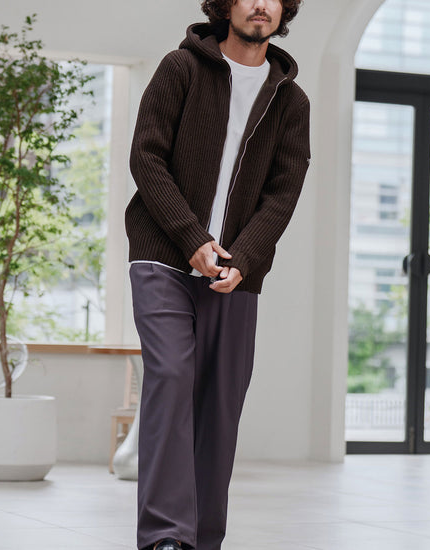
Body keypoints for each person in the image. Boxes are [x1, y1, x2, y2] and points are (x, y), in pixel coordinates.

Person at [125, 1, 309, 548]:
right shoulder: (180, 68)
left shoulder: (290, 100)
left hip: (235, 272)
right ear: (227, 5)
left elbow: (283, 192)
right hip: (163, 253)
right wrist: (192, 239)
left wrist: (242, 258)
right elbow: (146, 157)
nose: (261, 5)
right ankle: (166, 536)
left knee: (221, 402)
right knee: (171, 378)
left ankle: (202, 538)